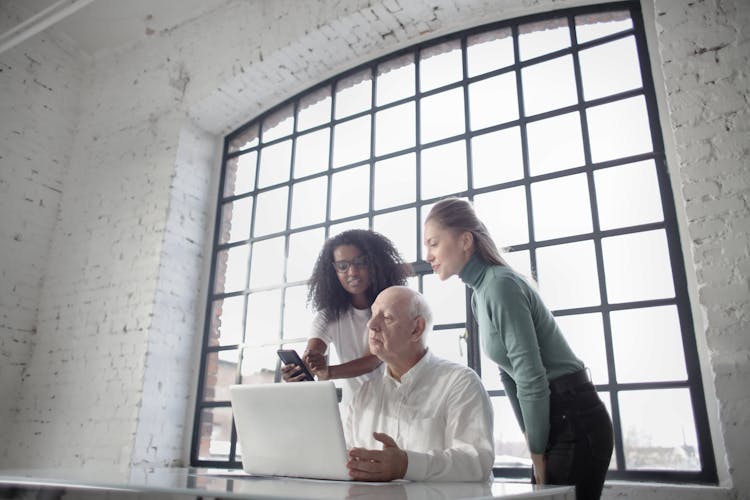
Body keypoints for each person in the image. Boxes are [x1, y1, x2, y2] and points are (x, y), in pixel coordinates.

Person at [423, 197, 613, 499]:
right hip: (554, 419)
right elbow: (508, 374)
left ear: (465, 240)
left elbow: (530, 375)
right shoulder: (478, 294)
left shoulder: (500, 285)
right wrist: (531, 437)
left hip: (574, 418)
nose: (428, 255)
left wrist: (537, 451)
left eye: (433, 243)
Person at [345, 285, 495, 482]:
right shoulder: (364, 394)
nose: (371, 324)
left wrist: (407, 465)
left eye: (387, 317)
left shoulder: (460, 383)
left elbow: (476, 461)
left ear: (417, 329)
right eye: (373, 314)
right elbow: (346, 457)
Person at [282, 229, 410, 404]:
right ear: (333, 272)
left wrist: (329, 371)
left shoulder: (392, 308)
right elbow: (312, 355)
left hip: (396, 404)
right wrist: (301, 371)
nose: (352, 272)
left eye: (361, 262)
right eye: (343, 266)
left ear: (375, 264)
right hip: (354, 411)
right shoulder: (327, 316)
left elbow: (374, 359)